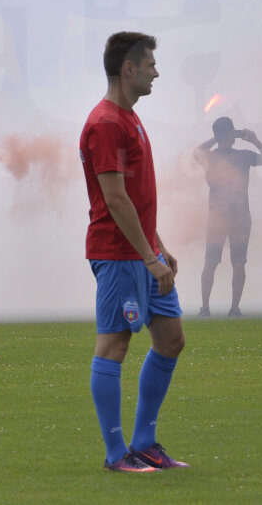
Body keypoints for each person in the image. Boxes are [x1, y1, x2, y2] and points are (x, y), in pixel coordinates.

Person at [79, 32, 188, 472]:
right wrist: (148, 256)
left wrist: (159, 245)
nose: (156, 72)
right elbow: (115, 199)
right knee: (114, 347)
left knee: (171, 339)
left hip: (142, 253)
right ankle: (115, 453)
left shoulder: (130, 118)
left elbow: (135, 196)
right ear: (129, 68)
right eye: (150, 65)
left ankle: (145, 442)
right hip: (119, 256)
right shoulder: (106, 123)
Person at [193, 117, 262, 317]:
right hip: (239, 216)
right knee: (238, 262)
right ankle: (234, 308)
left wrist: (216, 138)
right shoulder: (243, 156)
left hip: (217, 217)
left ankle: (205, 308)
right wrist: (254, 140)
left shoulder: (210, 157)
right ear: (231, 134)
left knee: (210, 261)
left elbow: (196, 151)